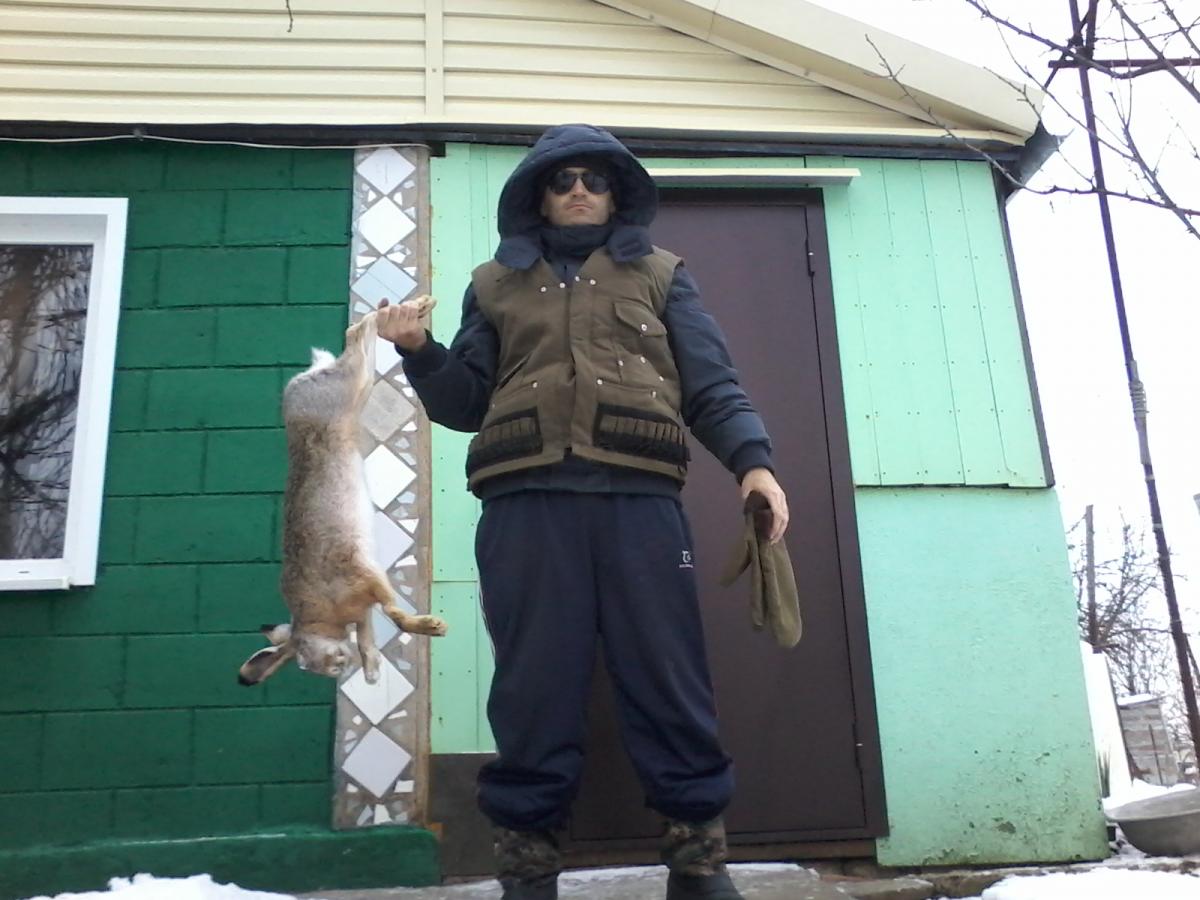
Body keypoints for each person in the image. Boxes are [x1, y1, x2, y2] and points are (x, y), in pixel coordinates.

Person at [376, 123, 788, 900]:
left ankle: (698, 863)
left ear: (616, 193)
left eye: (594, 179)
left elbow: (712, 385)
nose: (577, 191)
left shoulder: (663, 275)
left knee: (667, 680)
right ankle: (528, 872)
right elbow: (465, 404)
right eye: (561, 179)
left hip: (640, 504)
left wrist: (754, 467)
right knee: (532, 690)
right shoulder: (492, 284)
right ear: (537, 194)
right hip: (524, 506)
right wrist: (420, 351)